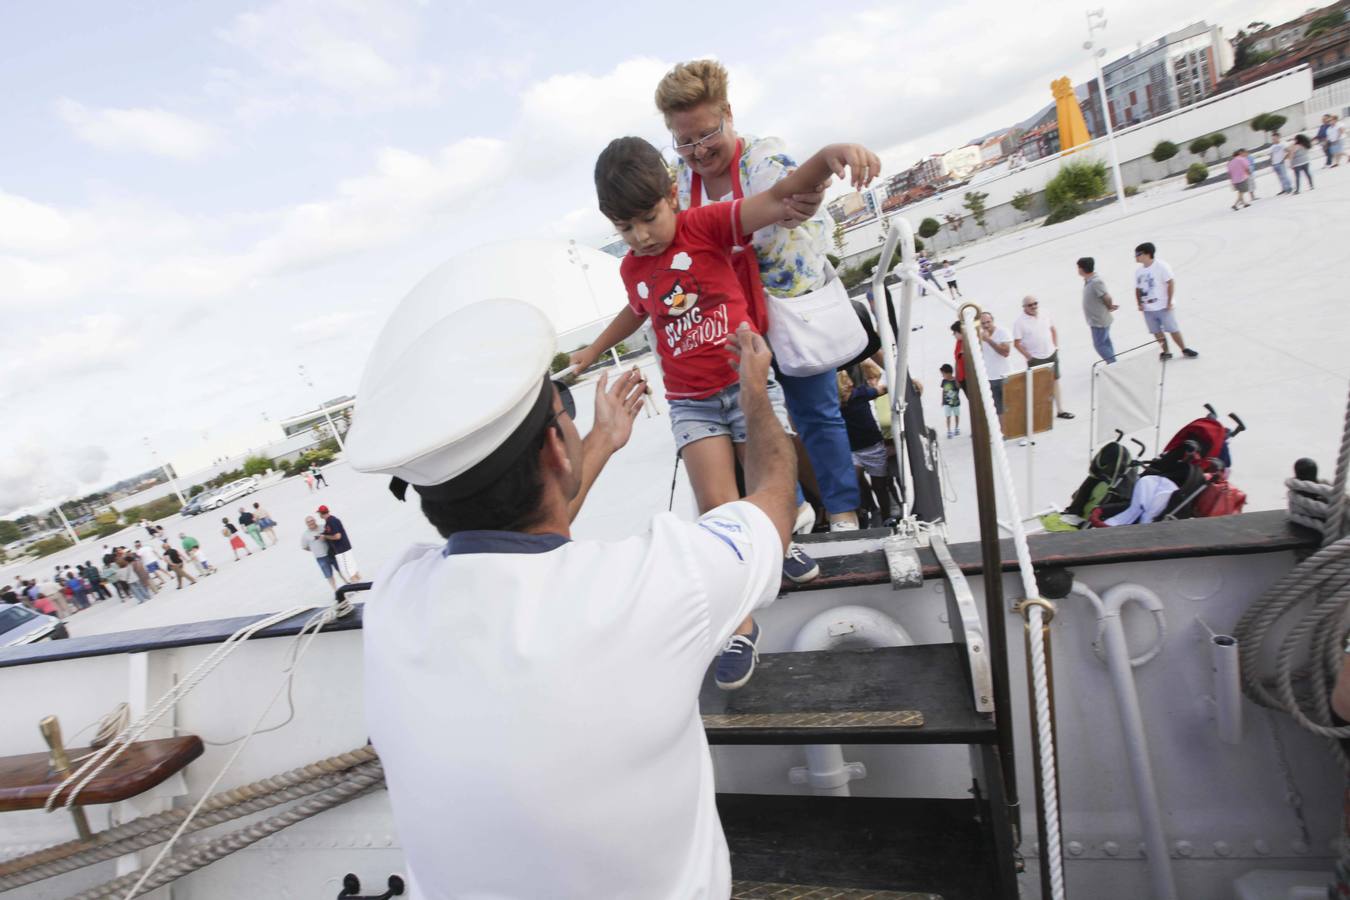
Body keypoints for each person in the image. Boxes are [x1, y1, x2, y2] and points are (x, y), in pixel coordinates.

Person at [346, 292, 795, 898]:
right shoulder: (662, 583)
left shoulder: (396, 597)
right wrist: (753, 394)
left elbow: (509, 543)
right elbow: (772, 497)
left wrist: (602, 441)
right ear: (559, 449)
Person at [575, 129, 877, 689]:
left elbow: (778, 196)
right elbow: (637, 310)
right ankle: (741, 627)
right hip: (691, 401)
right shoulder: (632, 267)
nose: (640, 236)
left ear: (672, 194)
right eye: (623, 228)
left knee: (770, 487)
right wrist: (592, 350)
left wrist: (827, 156)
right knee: (718, 512)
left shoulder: (704, 225)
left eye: (647, 218)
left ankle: (777, 547)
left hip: (746, 384)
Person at [652, 60, 869, 548]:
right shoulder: (681, 184)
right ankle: (786, 514)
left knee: (815, 412)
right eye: (683, 141)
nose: (698, 151)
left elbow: (793, 191)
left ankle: (844, 513)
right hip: (732, 321)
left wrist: (819, 175)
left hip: (787, 309)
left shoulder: (762, 158)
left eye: (706, 134)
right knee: (758, 419)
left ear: (729, 113)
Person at [837, 363, 895, 525]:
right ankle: (867, 510)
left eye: (849, 380)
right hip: (853, 450)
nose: (850, 383)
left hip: (873, 447)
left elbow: (882, 390)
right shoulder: (833, 405)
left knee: (880, 487)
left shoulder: (860, 394)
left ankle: (886, 517)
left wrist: (908, 384)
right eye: (845, 381)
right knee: (853, 482)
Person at [1133, 242, 1197, 361]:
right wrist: (1139, 303)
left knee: (1172, 329)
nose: (1136, 256)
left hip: (1162, 306)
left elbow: (1170, 283)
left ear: (1147, 254)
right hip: (1148, 308)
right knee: (1156, 332)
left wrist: (1169, 301)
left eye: (1138, 254)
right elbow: (1138, 288)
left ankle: (1184, 348)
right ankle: (1166, 351)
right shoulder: (1138, 272)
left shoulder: (1161, 266)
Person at [1013, 296, 1074, 420]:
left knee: (1055, 381)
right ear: (1024, 307)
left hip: (1051, 353)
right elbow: (1017, 343)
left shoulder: (1045, 313)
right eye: (1030, 305)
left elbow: (1053, 329)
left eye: (1035, 303)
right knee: (1039, 386)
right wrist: (1028, 356)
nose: (1033, 306)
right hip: (1036, 358)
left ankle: (1060, 410)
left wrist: (1055, 346)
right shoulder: (1019, 322)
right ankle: (1041, 414)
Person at [1077, 257, 1118, 364]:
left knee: (1099, 344)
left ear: (1082, 269)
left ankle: (1112, 363)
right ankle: (1113, 361)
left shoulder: (1096, 282)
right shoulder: (1089, 281)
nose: (1078, 270)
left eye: (1078, 267)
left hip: (1099, 321)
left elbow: (1107, 297)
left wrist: (1109, 307)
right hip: (1097, 319)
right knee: (1105, 342)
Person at [977, 310, 1013, 419]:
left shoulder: (1002, 332)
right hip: (989, 378)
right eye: (983, 323)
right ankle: (1003, 433)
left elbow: (1005, 352)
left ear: (993, 321)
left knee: (1010, 406)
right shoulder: (978, 336)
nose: (986, 325)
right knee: (998, 409)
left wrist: (989, 340)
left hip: (1005, 376)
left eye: (988, 322)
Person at [300, 516, 347, 591]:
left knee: (340, 570)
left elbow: (332, 535)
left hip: (331, 553)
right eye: (308, 522)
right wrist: (314, 549)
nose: (311, 522)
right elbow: (305, 547)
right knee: (328, 575)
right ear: (306, 524)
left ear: (315, 520)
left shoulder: (323, 527)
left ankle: (348, 583)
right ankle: (336, 591)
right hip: (320, 558)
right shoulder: (305, 535)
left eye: (312, 520)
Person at [317, 505, 360, 581]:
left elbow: (337, 536)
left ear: (321, 513)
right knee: (351, 566)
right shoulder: (330, 521)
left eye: (319, 513)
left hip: (341, 548)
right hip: (345, 547)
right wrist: (324, 534)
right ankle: (358, 581)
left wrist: (325, 537)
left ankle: (355, 585)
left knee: (347, 568)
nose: (319, 515)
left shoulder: (331, 521)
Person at [939, 363, 961, 438]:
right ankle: (949, 430)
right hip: (947, 403)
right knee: (948, 416)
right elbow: (943, 391)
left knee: (956, 415)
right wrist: (942, 401)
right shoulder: (944, 381)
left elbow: (958, 387)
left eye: (943, 374)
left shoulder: (955, 381)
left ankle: (956, 428)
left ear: (948, 373)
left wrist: (957, 380)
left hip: (955, 402)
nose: (942, 375)